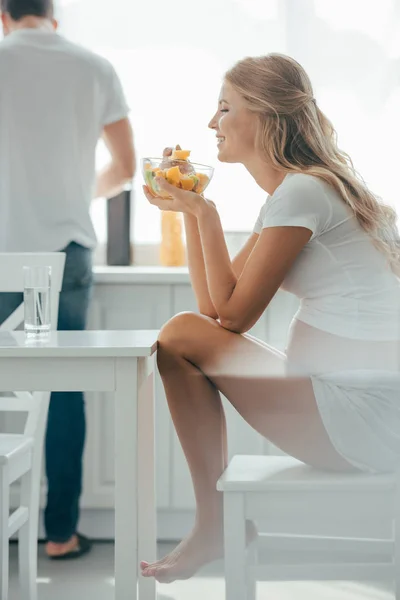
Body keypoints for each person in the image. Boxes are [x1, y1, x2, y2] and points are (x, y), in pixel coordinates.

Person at [140, 53, 400, 583]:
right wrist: (194, 211)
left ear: (262, 116)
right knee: (184, 334)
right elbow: (215, 309)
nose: (212, 125)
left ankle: (212, 526)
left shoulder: (303, 191)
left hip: (366, 419)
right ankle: (213, 525)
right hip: (362, 412)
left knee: (179, 334)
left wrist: (206, 214)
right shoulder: (299, 192)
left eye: (224, 108)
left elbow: (228, 321)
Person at [0, 0, 135, 559]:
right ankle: (59, 535)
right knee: (60, 387)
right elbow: (126, 167)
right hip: (63, 252)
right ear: (53, 17)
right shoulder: (93, 65)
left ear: (4, 16)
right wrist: (80, 193)